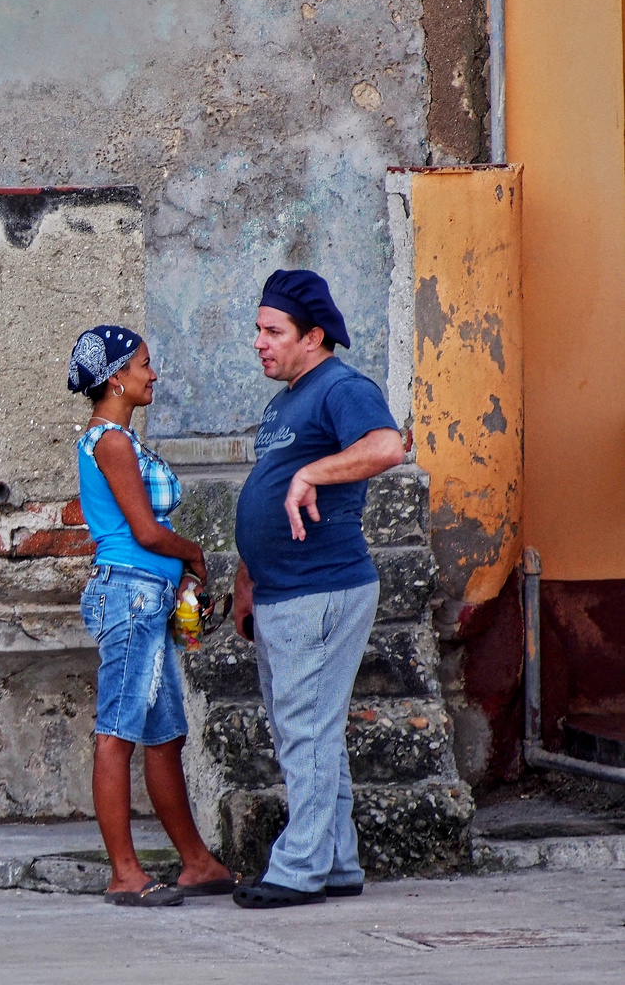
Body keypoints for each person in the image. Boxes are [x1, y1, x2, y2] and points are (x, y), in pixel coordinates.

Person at [229, 270, 406, 909]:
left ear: (314, 336)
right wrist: (246, 578)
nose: (259, 342)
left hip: (322, 588)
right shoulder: (286, 401)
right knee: (308, 729)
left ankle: (298, 868)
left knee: (305, 728)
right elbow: (267, 490)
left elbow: (388, 445)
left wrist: (313, 472)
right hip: (280, 590)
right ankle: (336, 862)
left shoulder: (341, 387)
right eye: (258, 329)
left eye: (273, 331)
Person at [68, 324, 238, 907]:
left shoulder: (115, 440)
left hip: (149, 597)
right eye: (143, 363)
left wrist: (184, 577)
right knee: (117, 734)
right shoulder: (110, 441)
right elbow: (143, 531)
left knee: (165, 736)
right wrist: (193, 553)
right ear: (116, 376)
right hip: (131, 596)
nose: (152, 373)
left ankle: (197, 864)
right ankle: (125, 875)